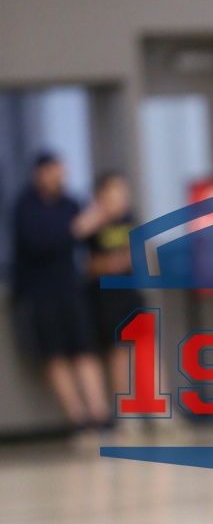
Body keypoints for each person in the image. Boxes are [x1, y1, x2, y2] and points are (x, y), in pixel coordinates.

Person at [13, 152, 109, 431]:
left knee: (85, 349)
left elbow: (89, 240)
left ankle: (100, 414)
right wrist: (75, 230)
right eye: (54, 172)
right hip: (40, 292)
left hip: (71, 289)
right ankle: (78, 419)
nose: (59, 178)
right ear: (39, 174)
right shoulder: (26, 207)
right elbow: (37, 245)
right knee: (54, 355)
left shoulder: (70, 203)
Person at [84, 173, 145, 403]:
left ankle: (159, 408)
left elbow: (139, 254)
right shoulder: (91, 224)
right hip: (106, 297)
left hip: (131, 291)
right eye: (115, 191)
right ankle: (126, 410)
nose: (121, 197)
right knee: (119, 353)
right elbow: (87, 264)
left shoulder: (129, 218)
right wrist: (108, 264)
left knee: (146, 348)